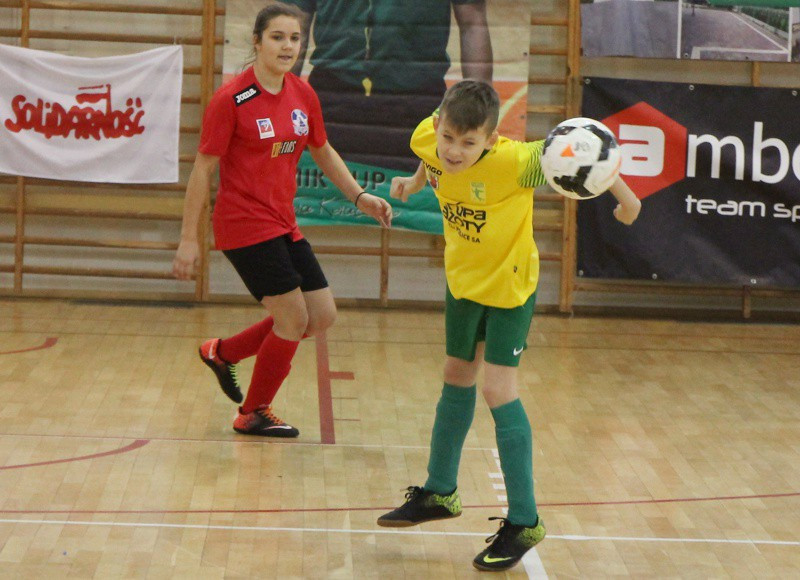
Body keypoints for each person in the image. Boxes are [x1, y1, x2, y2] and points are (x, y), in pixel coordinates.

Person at [377, 80, 641, 571]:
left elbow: (588, 150)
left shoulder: (517, 161)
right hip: (463, 279)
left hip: (511, 285)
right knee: (456, 375)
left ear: (491, 141)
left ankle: (525, 521)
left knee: (498, 389)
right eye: (449, 138)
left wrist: (628, 199)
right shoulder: (425, 139)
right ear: (437, 126)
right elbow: (429, 160)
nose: (454, 151)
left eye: (469, 142)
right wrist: (415, 184)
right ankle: (440, 491)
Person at [172, 3, 392, 437]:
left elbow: (322, 150)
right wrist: (188, 239)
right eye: (277, 37)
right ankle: (254, 411)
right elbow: (202, 170)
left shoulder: (303, 93)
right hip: (243, 225)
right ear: (256, 42)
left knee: (321, 316)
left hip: (282, 222)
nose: (288, 46)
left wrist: (359, 195)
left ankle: (223, 352)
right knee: (292, 319)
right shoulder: (231, 99)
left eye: (295, 38)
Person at [284, 0, 493, 171]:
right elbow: (293, 20)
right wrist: (276, 103)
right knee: (322, 213)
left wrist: (480, 112)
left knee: (413, 210)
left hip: (415, 99)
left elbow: (472, 20)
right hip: (333, 96)